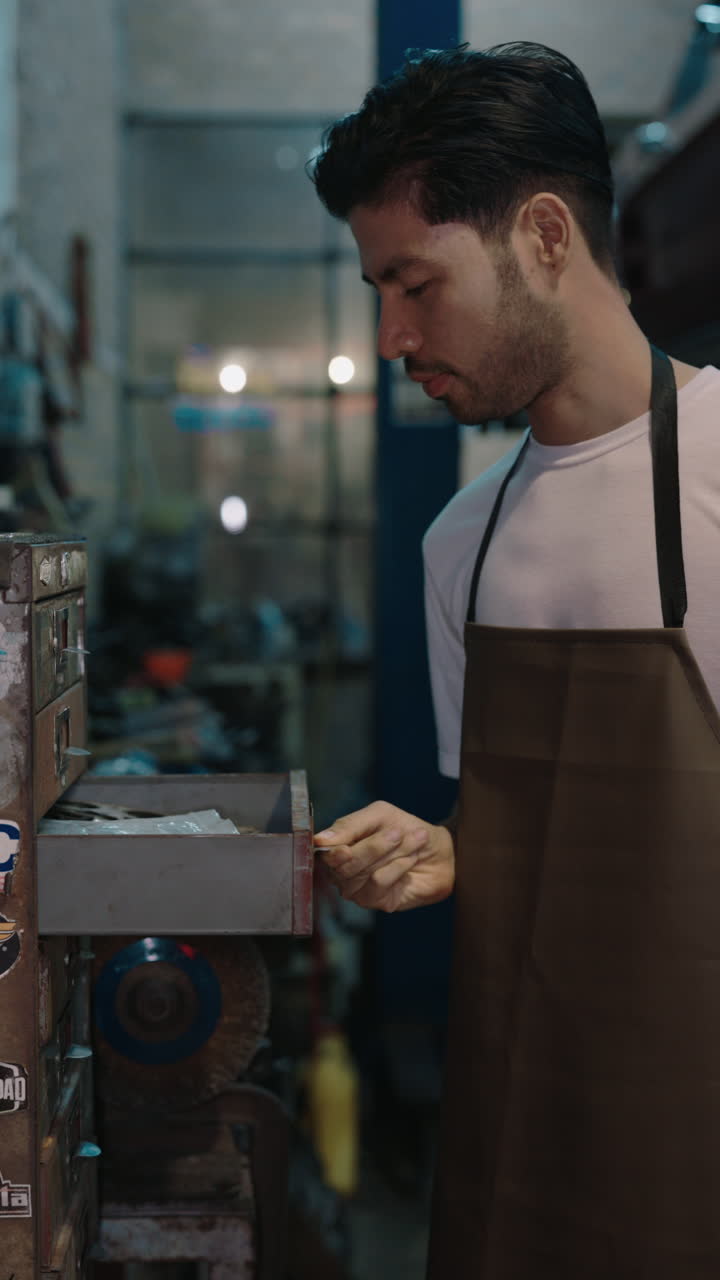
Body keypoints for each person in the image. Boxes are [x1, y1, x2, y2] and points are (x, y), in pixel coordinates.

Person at [311, 41, 720, 1278]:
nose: (392, 333)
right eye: (379, 291)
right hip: (521, 1150)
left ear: (544, 235)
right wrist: (449, 850)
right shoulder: (462, 544)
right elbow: (534, 838)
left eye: (416, 285)